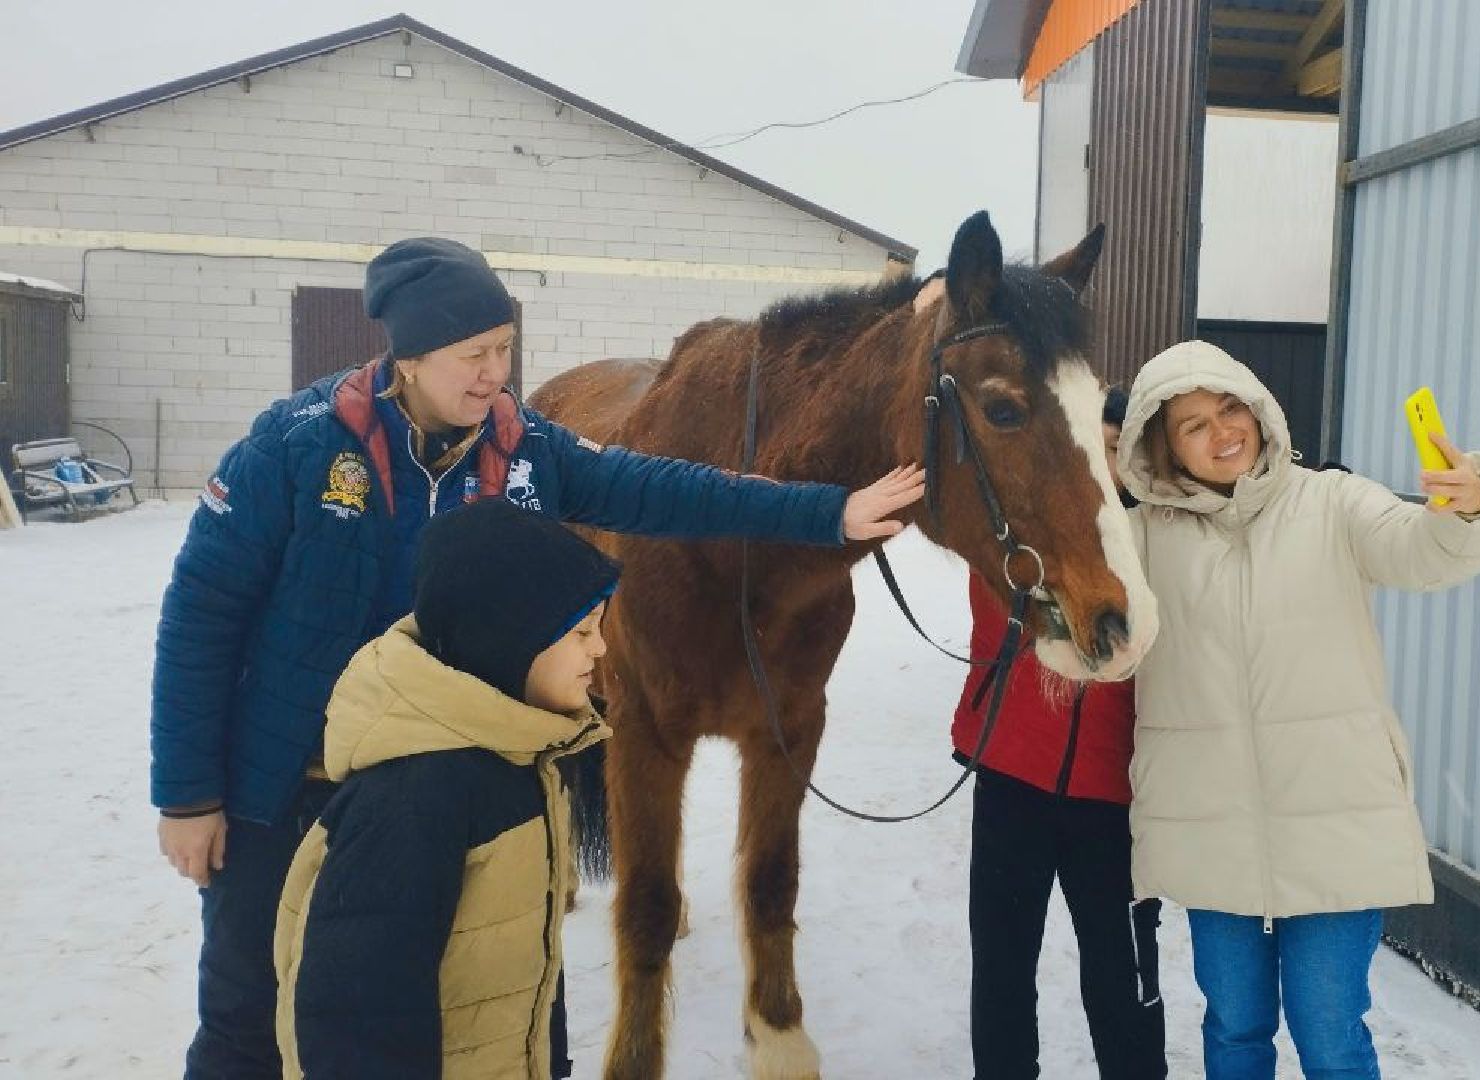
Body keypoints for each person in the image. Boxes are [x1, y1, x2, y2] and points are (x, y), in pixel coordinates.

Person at [152, 236, 924, 1077]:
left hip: (454, 782)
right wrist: (189, 795)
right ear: (409, 356)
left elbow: (664, 488)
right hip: (293, 789)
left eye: (505, 349)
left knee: (478, 1019)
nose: (495, 373)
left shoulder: (524, 449)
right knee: (252, 1022)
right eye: (472, 354)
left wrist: (827, 514)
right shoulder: (294, 447)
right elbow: (202, 613)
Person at [1114, 340, 1480, 1080]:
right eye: (1194, 425)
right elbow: (1096, 641)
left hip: (1336, 821)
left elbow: (1420, 551)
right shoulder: (1142, 539)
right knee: (1235, 1028)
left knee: (1328, 1030)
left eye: (1230, 407)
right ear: (1163, 448)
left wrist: (1470, 507)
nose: (1222, 431)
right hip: (1212, 830)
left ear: (1258, 407)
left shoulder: (1332, 501)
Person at [275, 499, 615, 1078]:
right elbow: (354, 1022)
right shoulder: (413, 799)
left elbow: (524, 963)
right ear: (509, 642)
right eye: (582, 631)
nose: (600, 649)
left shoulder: (523, 755)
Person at [952, 383, 1164, 1080]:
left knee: (1121, 973)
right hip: (1013, 775)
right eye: (1089, 449)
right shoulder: (1015, 526)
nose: (1102, 464)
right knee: (1002, 966)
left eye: (1116, 449)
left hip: (1115, 796)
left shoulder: (1162, 539)